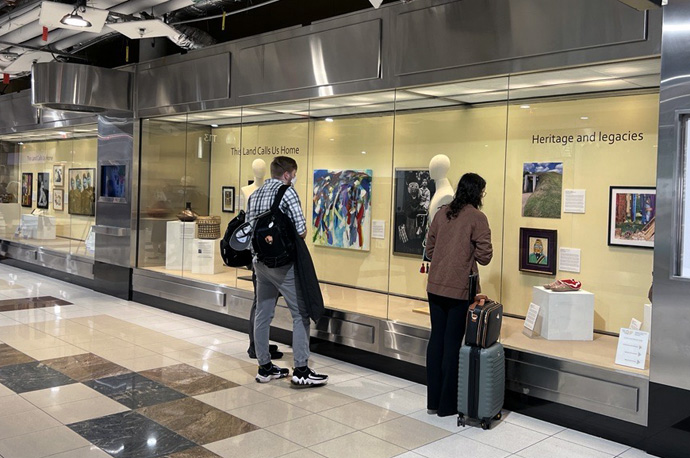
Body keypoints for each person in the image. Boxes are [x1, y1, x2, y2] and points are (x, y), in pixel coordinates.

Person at [247, 156, 328, 385]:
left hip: (259, 263)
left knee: (263, 313)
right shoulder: (287, 192)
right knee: (300, 313)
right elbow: (301, 229)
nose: (293, 178)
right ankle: (301, 370)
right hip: (283, 265)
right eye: (293, 174)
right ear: (287, 174)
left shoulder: (255, 195)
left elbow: (250, 229)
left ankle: (264, 367)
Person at [425, 172, 492, 417]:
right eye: (482, 192)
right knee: (453, 343)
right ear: (476, 193)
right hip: (459, 289)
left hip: (435, 287)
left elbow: (430, 250)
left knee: (436, 341)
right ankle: (447, 405)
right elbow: (485, 257)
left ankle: (433, 402)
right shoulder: (478, 218)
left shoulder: (442, 213)